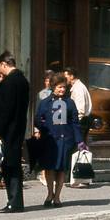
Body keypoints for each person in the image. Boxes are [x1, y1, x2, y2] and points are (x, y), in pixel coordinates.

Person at [0, 51, 30, 214]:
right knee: (11, 164)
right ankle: (14, 201)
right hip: (16, 130)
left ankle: (14, 202)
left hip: (8, 132)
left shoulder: (11, 82)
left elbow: (5, 109)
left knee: (10, 166)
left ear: (4, 64)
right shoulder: (21, 80)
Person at [33, 73, 85, 208]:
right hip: (49, 140)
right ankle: (49, 194)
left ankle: (57, 197)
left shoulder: (70, 103)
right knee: (49, 168)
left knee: (61, 169)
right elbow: (38, 119)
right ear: (53, 87)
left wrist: (79, 141)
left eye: (63, 87)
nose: (62, 90)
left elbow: (75, 123)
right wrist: (43, 127)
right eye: (59, 87)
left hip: (65, 140)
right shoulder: (45, 102)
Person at [64, 65, 94, 187]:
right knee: (79, 149)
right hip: (80, 121)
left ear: (71, 76)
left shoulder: (78, 89)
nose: (65, 78)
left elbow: (80, 109)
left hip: (80, 122)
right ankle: (78, 177)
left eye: (66, 76)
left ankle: (80, 177)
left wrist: (75, 123)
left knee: (78, 149)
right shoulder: (76, 88)